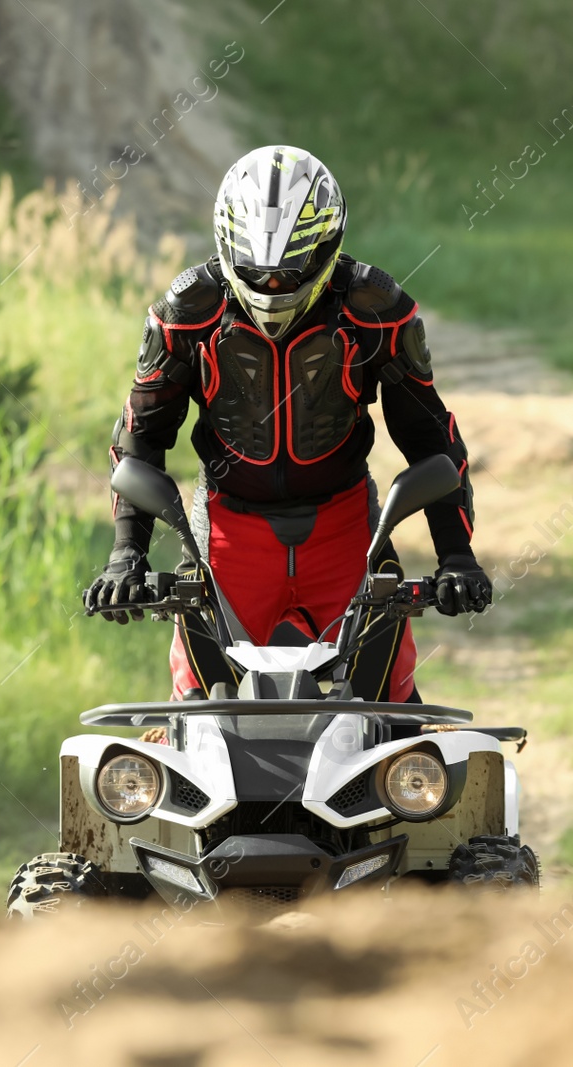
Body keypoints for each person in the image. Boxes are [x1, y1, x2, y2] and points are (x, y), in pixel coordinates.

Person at [82, 146, 490, 702]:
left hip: (345, 532)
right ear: (227, 247)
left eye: (292, 269)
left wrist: (456, 557)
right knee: (195, 715)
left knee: (391, 708)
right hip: (228, 536)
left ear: (328, 247)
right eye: (257, 272)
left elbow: (429, 437)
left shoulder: (375, 308)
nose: (273, 286)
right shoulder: (187, 312)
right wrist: (126, 554)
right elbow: (140, 439)